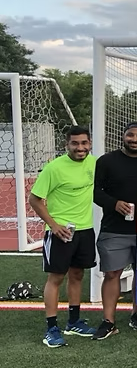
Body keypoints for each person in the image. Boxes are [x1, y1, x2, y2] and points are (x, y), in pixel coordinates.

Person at [29, 126, 97, 348]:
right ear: (66, 144)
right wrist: (54, 225)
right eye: (75, 143)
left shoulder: (94, 163)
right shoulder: (54, 168)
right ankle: (51, 328)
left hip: (85, 230)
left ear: (90, 143)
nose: (80, 147)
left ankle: (74, 322)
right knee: (56, 278)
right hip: (60, 231)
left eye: (84, 143)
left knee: (77, 274)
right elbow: (35, 199)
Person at [92, 121, 137, 339]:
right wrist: (114, 203)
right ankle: (108, 321)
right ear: (123, 136)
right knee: (112, 273)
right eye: (130, 135)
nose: (134, 139)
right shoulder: (107, 161)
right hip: (114, 228)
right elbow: (96, 192)